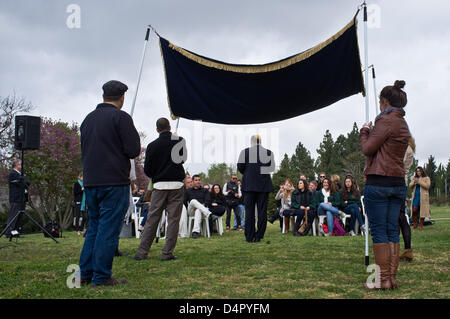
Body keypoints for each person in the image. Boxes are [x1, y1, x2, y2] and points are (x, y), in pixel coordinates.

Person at [79, 80, 141, 287]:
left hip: (91, 182)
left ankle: (85, 274)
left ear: (103, 95)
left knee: (94, 228)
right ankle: (101, 277)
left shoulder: (88, 120)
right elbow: (133, 150)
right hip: (114, 182)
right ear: (122, 97)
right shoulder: (121, 117)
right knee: (107, 231)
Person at [360, 80, 411, 290]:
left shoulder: (385, 120)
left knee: (379, 231)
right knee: (392, 231)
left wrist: (364, 131)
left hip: (379, 182)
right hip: (397, 183)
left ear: (384, 102)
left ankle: (381, 280)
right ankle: (391, 278)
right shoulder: (403, 123)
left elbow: (368, 149)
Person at [132, 117, 186, 261]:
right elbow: (182, 159)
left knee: (152, 219)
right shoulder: (179, 140)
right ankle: (167, 253)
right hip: (176, 184)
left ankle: (142, 253)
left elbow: (148, 169)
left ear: (157, 130)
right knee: (173, 220)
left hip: (160, 185)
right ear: (169, 127)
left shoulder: (152, 146)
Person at [237, 134, 275, 243]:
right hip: (263, 186)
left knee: (249, 212)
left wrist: (249, 174)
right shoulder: (268, 152)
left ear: (251, 142)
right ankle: (259, 236)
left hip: (249, 186)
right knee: (262, 212)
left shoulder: (245, 152)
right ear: (260, 142)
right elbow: (271, 168)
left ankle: (249, 236)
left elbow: (240, 167)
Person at [399, 136, 415, 261]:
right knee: (400, 217)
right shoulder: (409, 148)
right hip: (401, 183)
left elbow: (399, 164)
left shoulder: (406, 149)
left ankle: (407, 249)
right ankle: (407, 249)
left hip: (398, 183)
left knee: (400, 216)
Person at [5, 159, 30, 238]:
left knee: (20, 216)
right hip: (16, 198)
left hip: (22, 198)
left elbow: (28, 183)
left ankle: (15, 232)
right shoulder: (13, 174)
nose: (22, 166)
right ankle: (9, 232)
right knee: (14, 215)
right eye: (20, 164)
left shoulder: (20, 174)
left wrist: (24, 182)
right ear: (17, 165)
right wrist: (24, 183)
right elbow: (22, 184)